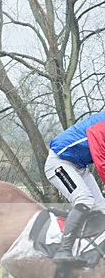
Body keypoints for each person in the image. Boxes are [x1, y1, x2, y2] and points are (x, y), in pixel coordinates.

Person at [44, 111, 105, 264]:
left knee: (102, 208)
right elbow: (101, 163)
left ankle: (88, 250)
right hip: (59, 163)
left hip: (79, 167)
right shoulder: (101, 126)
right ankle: (63, 250)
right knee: (84, 199)